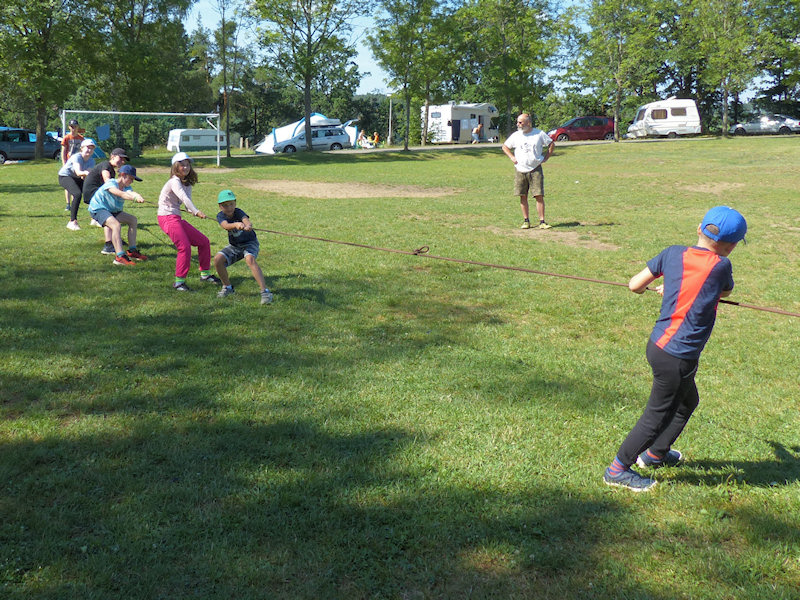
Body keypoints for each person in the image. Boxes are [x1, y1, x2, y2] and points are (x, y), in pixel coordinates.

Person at [603, 206, 748, 492]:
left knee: (687, 402)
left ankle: (656, 454)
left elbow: (634, 285)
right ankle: (617, 470)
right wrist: (681, 289)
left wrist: (673, 286)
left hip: (659, 346)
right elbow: (725, 291)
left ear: (699, 229)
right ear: (731, 246)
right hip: (678, 357)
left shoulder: (672, 253)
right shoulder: (721, 266)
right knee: (656, 416)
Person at [158, 152, 221, 291]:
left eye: (187, 165)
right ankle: (179, 282)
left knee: (203, 242)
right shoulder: (174, 181)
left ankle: (205, 274)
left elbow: (187, 202)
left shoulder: (187, 183)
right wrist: (196, 211)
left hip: (176, 217)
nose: (185, 167)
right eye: (182, 165)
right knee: (184, 247)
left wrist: (191, 210)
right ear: (175, 167)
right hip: (166, 217)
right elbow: (183, 197)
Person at [214, 190, 273, 305]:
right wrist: (236, 225)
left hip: (250, 243)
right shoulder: (220, 216)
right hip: (235, 246)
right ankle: (227, 287)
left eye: (231, 204)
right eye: (225, 205)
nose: (229, 208)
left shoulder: (238, 212)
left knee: (250, 259)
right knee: (218, 259)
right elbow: (225, 225)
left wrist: (248, 225)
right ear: (220, 206)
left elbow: (246, 220)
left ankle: (265, 292)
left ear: (235, 203)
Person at [87, 164, 148, 266]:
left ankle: (132, 251)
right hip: (98, 209)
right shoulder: (111, 183)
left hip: (112, 210)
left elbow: (131, 192)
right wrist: (133, 198)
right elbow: (120, 194)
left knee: (133, 220)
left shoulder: (126, 187)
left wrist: (137, 196)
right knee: (116, 225)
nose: (132, 181)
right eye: (131, 178)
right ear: (123, 175)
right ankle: (119, 257)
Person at [502, 113, 554, 230]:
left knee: (538, 195)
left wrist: (546, 158)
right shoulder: (516, 135)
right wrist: (512, 157)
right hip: (520, 169)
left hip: (535, 169)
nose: (518, 124)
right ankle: (526, 221)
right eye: (517, 122)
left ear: (528, 123)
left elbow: (551, 144)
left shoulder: (539, 134)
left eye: (520, 122)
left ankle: (542, 221)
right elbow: (505, 147)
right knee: (523, 195)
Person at [83, 148, 129, 254]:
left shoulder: (111, 169)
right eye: (120, 158)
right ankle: (110, 243)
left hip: (95, 193)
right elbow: (107, 180)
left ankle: (113, 240)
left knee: (111, 214)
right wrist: (119, 192)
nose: (122, 161)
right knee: (109, 214)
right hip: (93, 193)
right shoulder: (106, 165)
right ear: (112, 156)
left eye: (124, 160)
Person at [59, 138, 96, 231]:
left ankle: (95, 218)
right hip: (65, 176)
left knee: (93, 193)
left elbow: (86, 175)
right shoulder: (76, 157)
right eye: (88, 147)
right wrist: (87, 173)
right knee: (77, 194)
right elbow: (78, 172)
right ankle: (72, 222)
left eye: (92, 148)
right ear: (82, 148)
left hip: (78, 178)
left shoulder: (91, 161)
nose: (90, 150)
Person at [61, 119, 84, 212]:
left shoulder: (81, 138)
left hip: (78, 163)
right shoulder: (67, 138)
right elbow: (63, 151)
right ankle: (68, 204)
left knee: (76, 182)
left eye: (75, 126)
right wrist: (64, 163)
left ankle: (75, 202)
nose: (73, 128)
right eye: (71, 127)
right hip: (69, 162)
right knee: (68, 183)